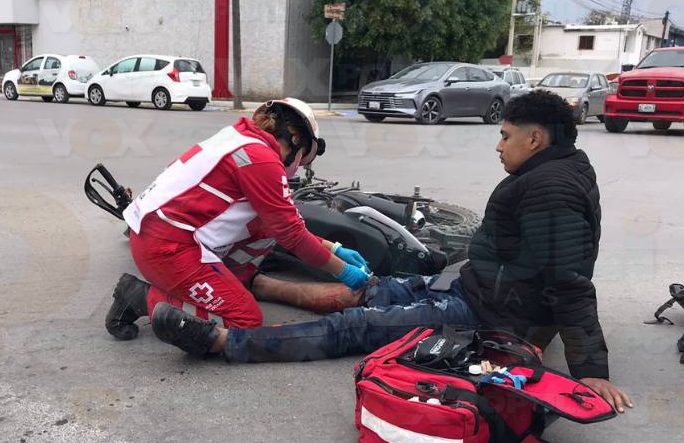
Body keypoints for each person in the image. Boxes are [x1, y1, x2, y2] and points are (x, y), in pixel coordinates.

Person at [148, 90, 634, 413]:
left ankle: (222, 343)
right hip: (477, 288)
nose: (498, 146)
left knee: (353, 327)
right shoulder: (559, 170)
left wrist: (591, 370)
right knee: (374, 290)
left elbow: (570, 280)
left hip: (487, 315)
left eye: (505, 136)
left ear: (536, 138)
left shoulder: (552, 189)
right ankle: (264, 287)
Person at [105, 98, 371, 340]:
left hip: (155, 232)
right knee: (245, 321)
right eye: (301, 160)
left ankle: (231, 283)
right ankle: (139, 297)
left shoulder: (240, 137)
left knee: (266, 228)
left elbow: (283, 225)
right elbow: (292, 234)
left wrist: (334, 248)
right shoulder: (262, 159)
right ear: (294, 139)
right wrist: (342, 270)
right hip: (167, 248)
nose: (298, 167)